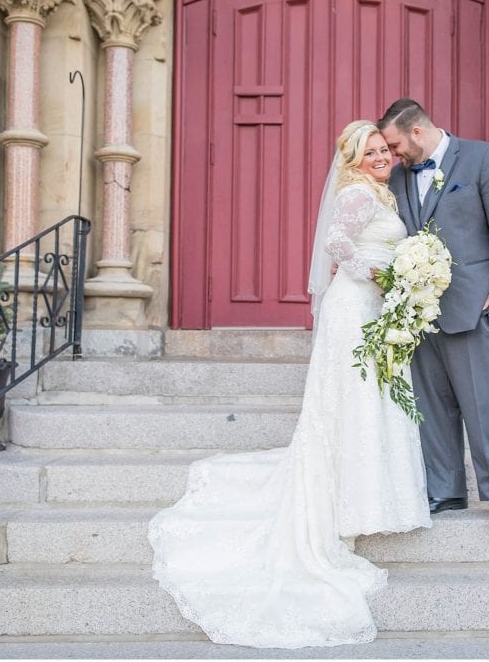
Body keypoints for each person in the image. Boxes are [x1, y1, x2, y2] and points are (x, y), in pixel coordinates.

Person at [147, 120, 431, 649]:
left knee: (373, 401)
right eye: (369, 152)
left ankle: (374, 494)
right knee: (354, 400)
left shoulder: (381, 194)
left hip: (374, 310)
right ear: (350, 157)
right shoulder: (354, 194)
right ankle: (351, 499)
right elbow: (337, 243)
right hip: (356, 308)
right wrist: (379, 273)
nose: (379, 157)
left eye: (382, 150)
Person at [377, 98, 489, 526]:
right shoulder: (400, 176)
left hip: (476, 303)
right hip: (418, 311)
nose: (392, 155)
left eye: (395, 145)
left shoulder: (482, 158)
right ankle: (446, 491)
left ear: (418, 132)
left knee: (485, 403)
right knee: (431, 404)